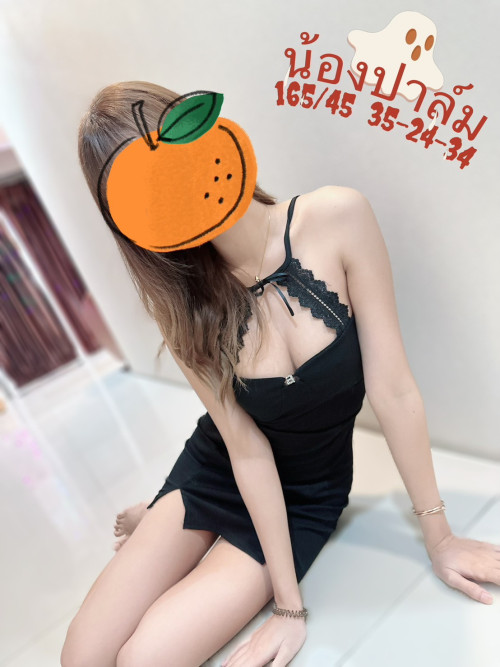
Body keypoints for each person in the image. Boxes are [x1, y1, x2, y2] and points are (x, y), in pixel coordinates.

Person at [61, 81, 499, 667]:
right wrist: (289, 607)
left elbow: (393, 390)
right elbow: (245, 450)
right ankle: (167, 511)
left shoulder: (337, 217)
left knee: (144, 660)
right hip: (221, 469)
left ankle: (163, 521)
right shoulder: (179, 303)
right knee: (81, 658)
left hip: (305, 495)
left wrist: (440, 539)